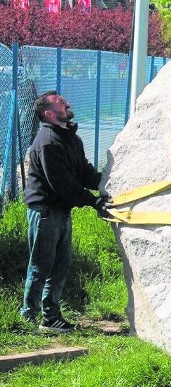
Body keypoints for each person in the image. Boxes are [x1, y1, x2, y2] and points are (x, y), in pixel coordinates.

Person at [21, 91, 111, 333]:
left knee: (60, 266)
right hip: (44, 211)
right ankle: (27, 319)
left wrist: (107, 183)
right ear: (49, 114)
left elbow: (83, 171)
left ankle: (50, 318)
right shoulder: (48, 141)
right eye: (60, 102)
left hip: (61, 211)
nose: (67, 102)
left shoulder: (70, 137)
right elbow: (60, 183)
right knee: (41, 266)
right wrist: (93, 202)